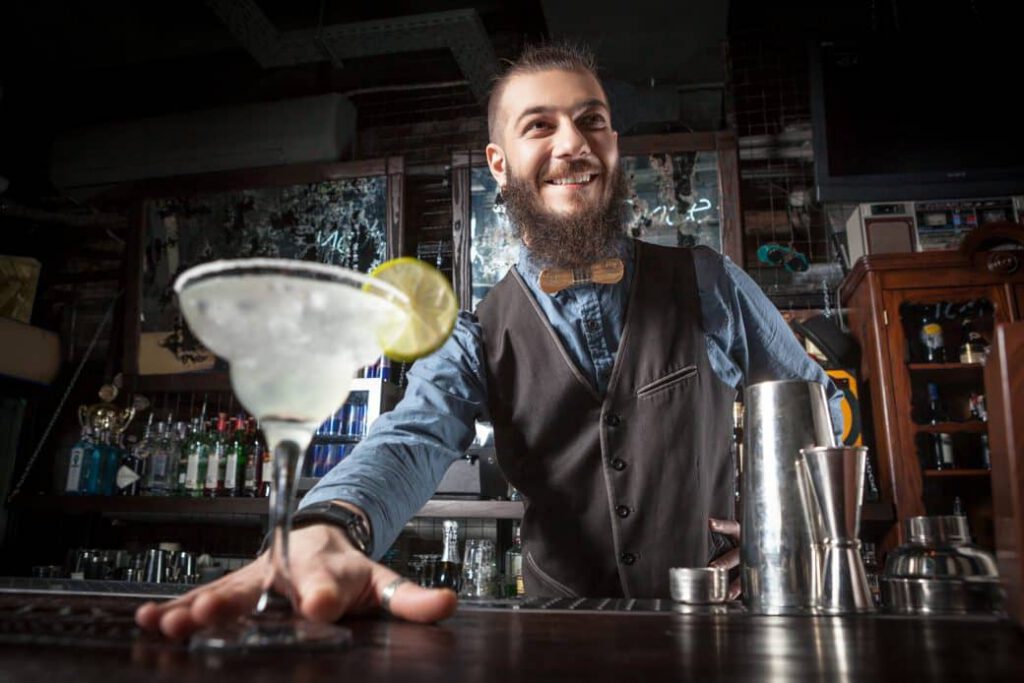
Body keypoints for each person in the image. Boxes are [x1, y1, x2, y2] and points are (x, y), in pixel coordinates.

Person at [136, 42, 843, 638]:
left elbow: (824, 414)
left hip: (716, 630)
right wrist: (327, 523)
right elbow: (408, 438)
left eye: (591, 121)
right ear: (499, 164)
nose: (572, 142)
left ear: (615, 147)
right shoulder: (472, 334)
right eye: (540, 126)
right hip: (555, 639)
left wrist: (772, 514)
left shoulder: (710, 282)